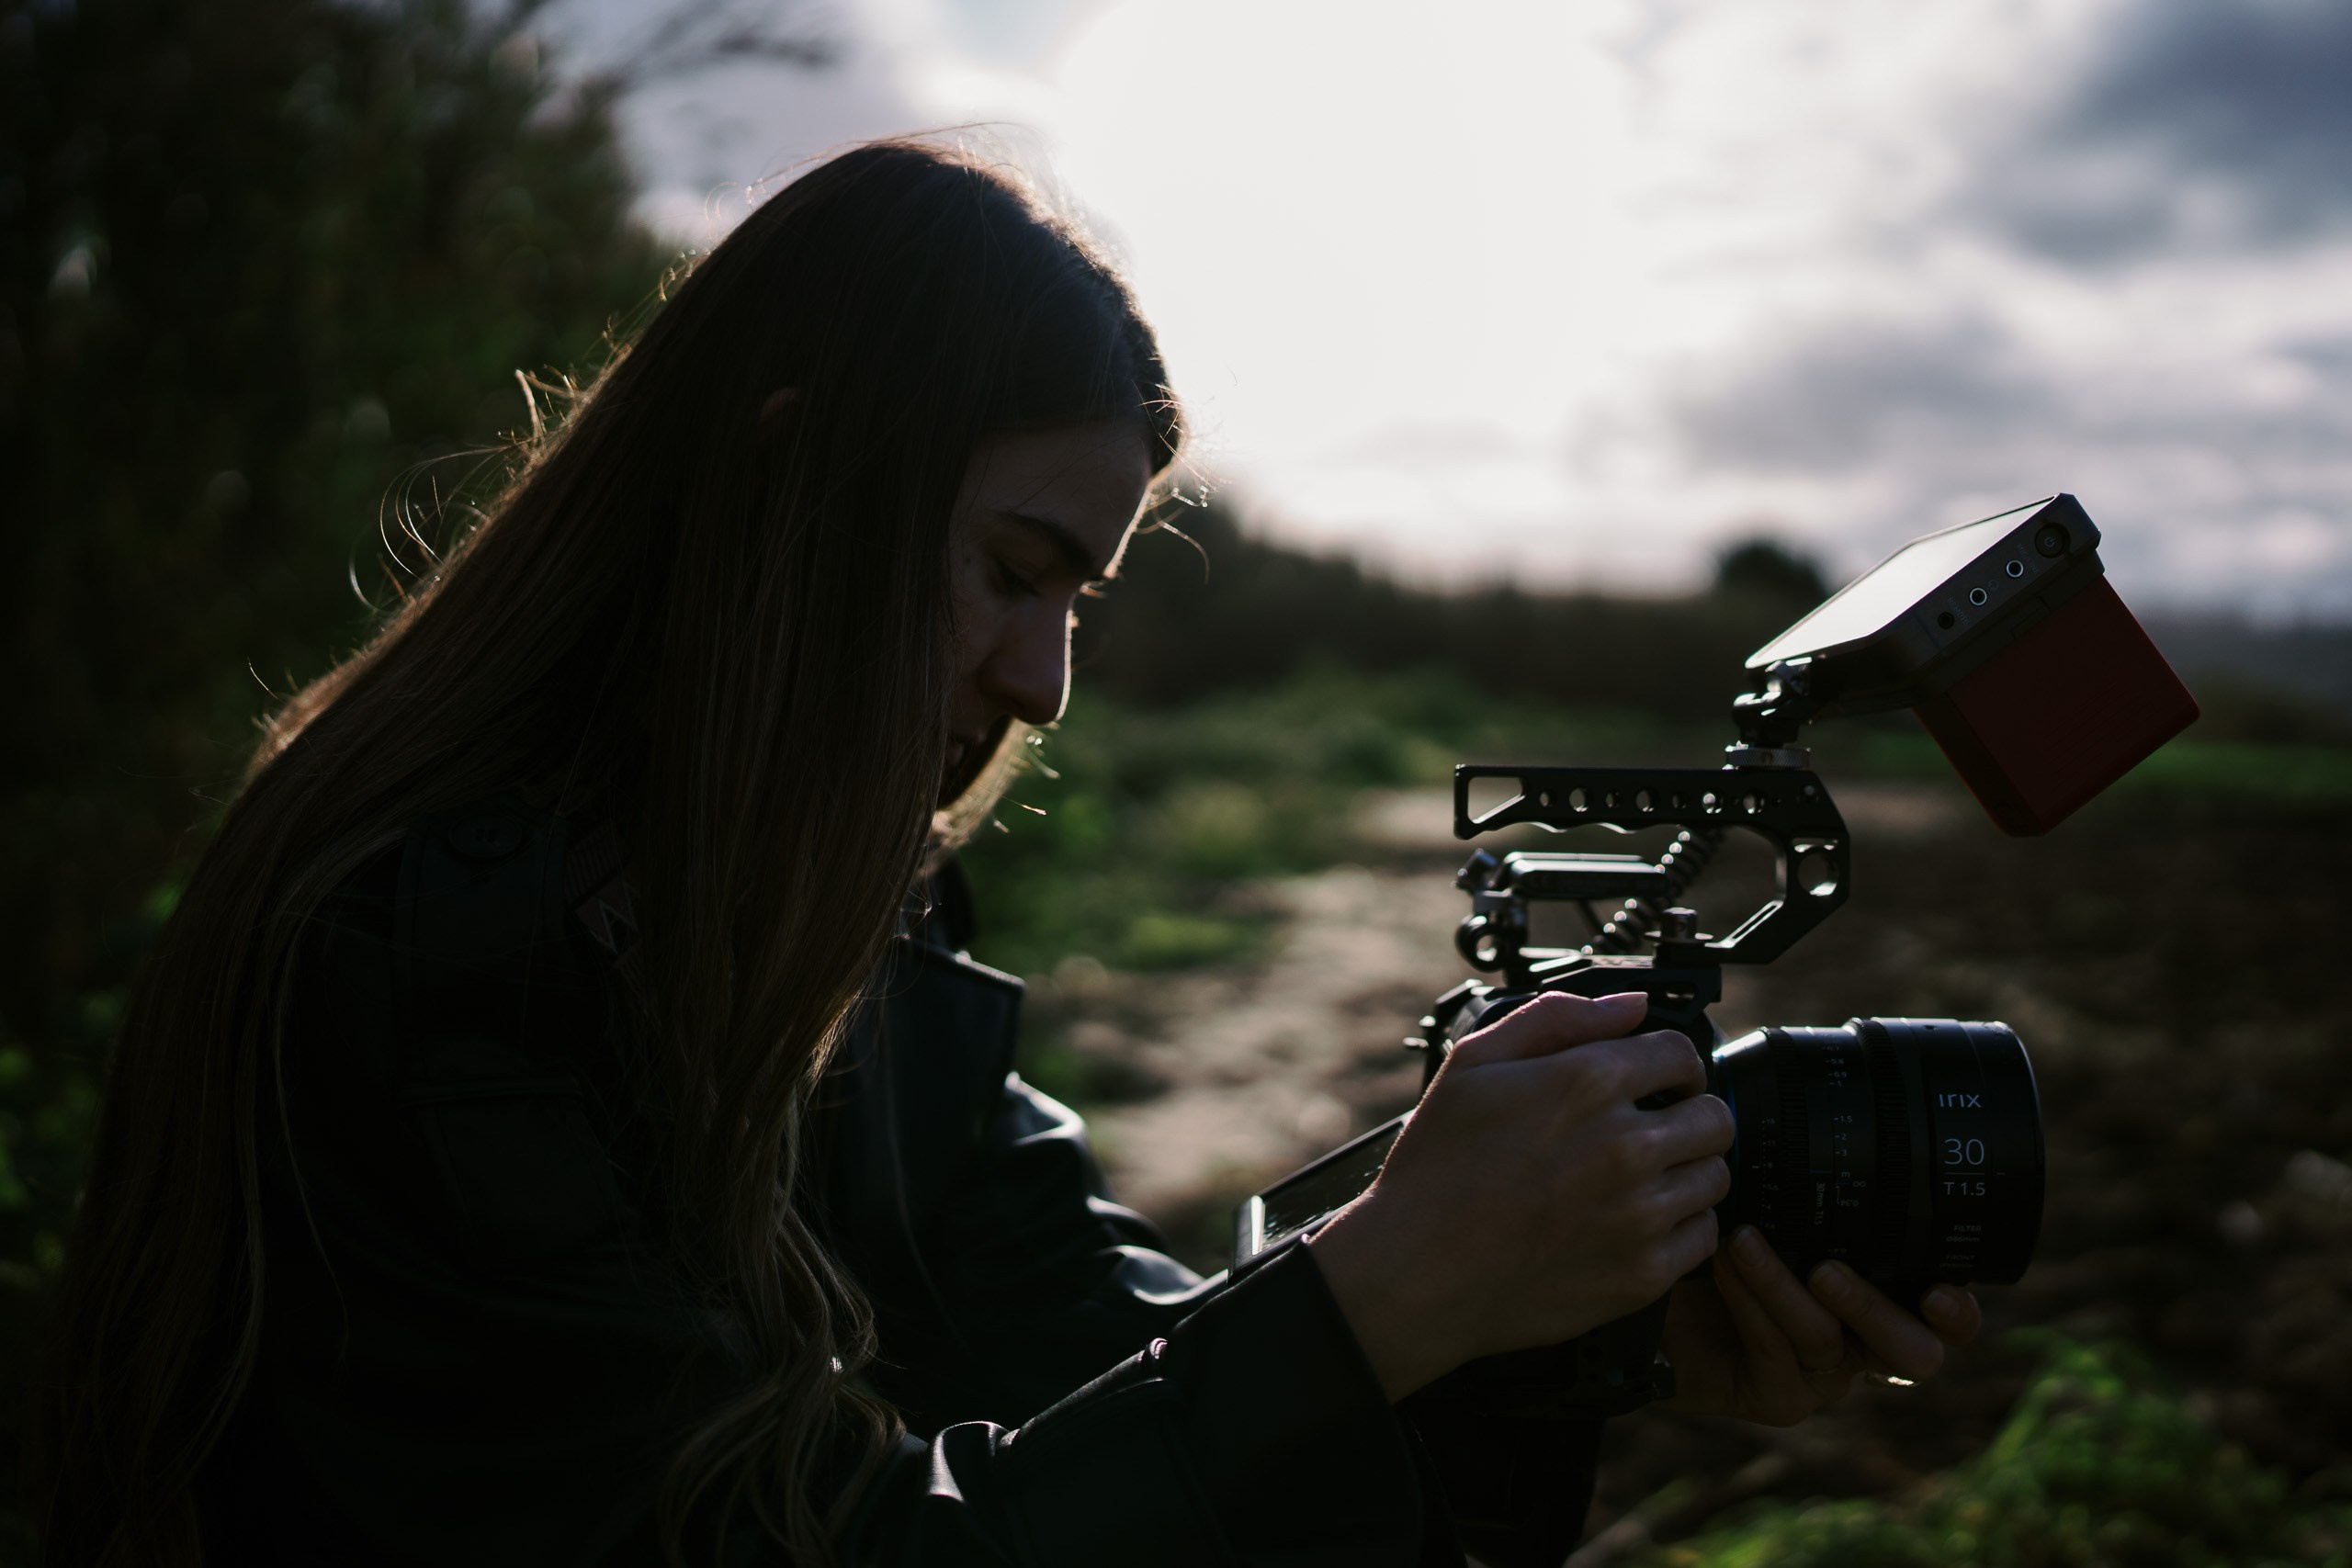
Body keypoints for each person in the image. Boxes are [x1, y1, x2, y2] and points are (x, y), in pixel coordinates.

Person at [32, 141, 1980, 1567]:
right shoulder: (420, 958)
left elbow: (1098, 1367)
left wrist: (1542, 1329)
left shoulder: (841, 933)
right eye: (1009, 568)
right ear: (788, 477)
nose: (1044, 679)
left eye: (1082, 599)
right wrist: (1384, 1291)